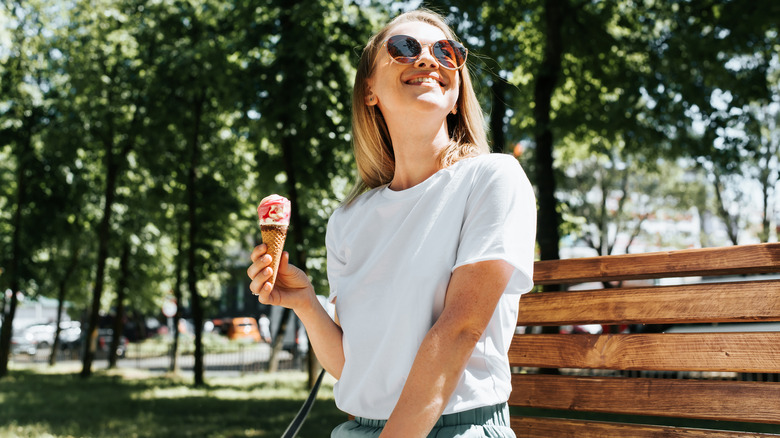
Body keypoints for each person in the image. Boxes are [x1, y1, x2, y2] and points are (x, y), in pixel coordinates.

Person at [247, 9, 536, 437]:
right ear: (369, 91)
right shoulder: (348, 220)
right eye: (404, 48)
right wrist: (306, 303)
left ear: (456, 94)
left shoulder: (492, 178)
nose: (428, 59)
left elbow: (459, 331)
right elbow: (352, 367)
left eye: (446, 52)